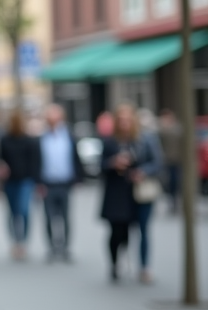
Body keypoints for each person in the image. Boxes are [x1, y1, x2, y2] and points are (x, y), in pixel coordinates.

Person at [100, 103, 164, 284]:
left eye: (128, 120)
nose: (125, 124)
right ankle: (116, 263)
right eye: (121, 120)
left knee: (144, 230)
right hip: (118, 192)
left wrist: (142, 171)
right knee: (118, 230)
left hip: (140, 190)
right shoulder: (111, 141)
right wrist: (113, 163)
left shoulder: (146, 139)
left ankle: (144, 267)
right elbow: (101, 166)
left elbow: (157, 162)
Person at [37, 104, 85, 262]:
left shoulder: (69, 136)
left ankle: (65, 247)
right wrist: (38, 182)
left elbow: (76, 158)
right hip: (48, 183)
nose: (52, 121)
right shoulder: (41, 138)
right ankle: (52, 246)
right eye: (50, 118)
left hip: (65, 182)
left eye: (55, 117)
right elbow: (36, 162)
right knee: (49, 217)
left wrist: (78, 178)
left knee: (65, 217)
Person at [0, 110, 40, 261]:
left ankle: (23, 242)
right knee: (12, 212)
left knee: (23, 210)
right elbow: (0, 158)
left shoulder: (29, 140)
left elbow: (35, 162)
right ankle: (15, 241)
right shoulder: (4, 140)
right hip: (10, 181)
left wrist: (36, 181)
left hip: (25, 180)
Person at [157, 108, 182, 215]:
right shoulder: (161, 129)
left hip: (176, 160)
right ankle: (171, 202)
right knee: (168, 183)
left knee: (176, 181)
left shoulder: (177, 129)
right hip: (166, 160)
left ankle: (175, 202)